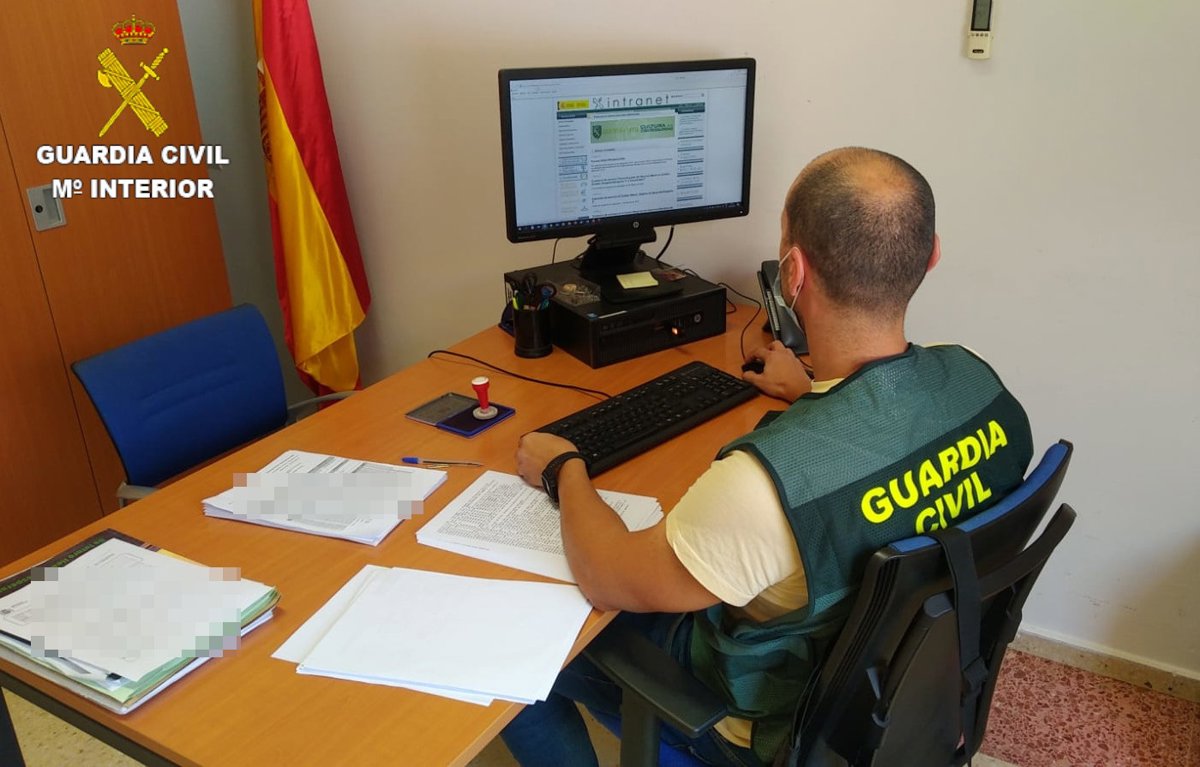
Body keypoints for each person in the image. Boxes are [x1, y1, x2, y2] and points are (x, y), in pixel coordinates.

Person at [501, 147, 1034, 766]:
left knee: (520, 640)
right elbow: (894, 445)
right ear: (932, 255)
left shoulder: (761, 486)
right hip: (888, 701)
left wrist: (564, 468)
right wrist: (814, 394)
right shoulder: (979, 384)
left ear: (793, 274)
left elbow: (607, 576)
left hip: (763, 725)